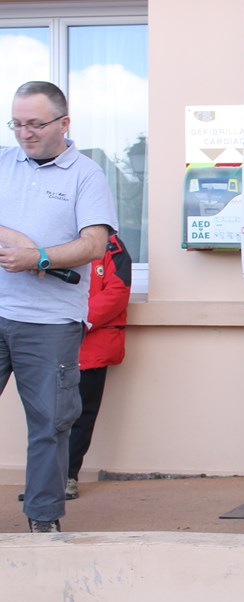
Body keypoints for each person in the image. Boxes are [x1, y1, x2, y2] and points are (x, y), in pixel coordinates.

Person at [0, 81, 117, 532]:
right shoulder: (4, 162)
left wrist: (39, 258)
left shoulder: (86, 175)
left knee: (50, 424)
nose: (24, 133)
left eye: (34, 123)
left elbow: (94, 244)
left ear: (64, 123)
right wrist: (14, 240)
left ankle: (43, 519)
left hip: (50, 323)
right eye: (16, 124)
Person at [66, 233, 132, 499]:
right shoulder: (54, 238)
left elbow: (117, 291)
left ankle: (67, 476)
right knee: (46, 416)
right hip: (51, 342)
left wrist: (77, 319)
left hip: (91, 345)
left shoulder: (112, 246)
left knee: (81, 416)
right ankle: (42, 480)